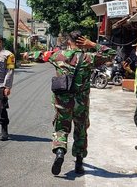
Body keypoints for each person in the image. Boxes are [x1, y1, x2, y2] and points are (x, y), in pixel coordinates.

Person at [48, 30, 116, 175]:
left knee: (61, 128)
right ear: (82, 41)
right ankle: (79, 163)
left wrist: (25, 55)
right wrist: (92, 44)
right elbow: (112, 54)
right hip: (81, 103)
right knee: (81, 131)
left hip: (63, 102)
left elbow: (38, 55)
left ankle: (60, 152)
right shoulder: (89, 58)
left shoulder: (58, 55)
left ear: (68, 42)